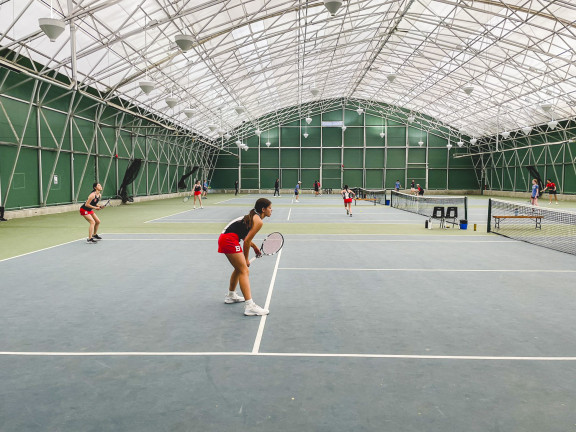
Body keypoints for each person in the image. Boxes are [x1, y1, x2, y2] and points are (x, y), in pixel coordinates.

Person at [218, 198, 273, 316]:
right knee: (244, 270)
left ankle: (231, 295)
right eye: (269, 208)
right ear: (263, 209)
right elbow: (246, 241)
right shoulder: (258, 221)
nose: (271, 210)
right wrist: (246, 258)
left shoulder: (253, 216)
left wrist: (254, 247)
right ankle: (250, 306)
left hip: (226, 238)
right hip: (229, 239)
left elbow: (244, 236)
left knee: (239, 269)